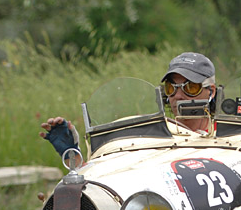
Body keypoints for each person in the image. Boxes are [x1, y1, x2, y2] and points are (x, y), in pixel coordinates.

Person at [40, 52, 218, 154]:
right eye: (172, 88)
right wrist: (73, 153)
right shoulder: (153, 134)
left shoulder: (227, 136)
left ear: (211, 91)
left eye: (191, 88)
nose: (178, 96)